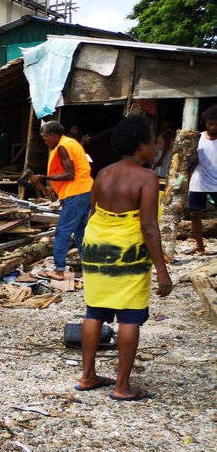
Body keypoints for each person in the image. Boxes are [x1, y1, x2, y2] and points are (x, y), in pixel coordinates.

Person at [78, 115, 173, 401]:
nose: (156, 147)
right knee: (129, 316)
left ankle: (87, 376)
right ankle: (122, 386)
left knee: (94, 311)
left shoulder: (104, 173)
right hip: (127, 251)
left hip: (96, 247)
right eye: (153, 141)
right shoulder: (147, 178)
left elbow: (93, 212)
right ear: (140, 145)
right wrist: (162, 269)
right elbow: (148, 226)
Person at [31, 121, 94, 280]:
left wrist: (45, 177)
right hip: (85, 190)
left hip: (76, 192)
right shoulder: (70, 143)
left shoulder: (62, 147)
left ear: (53, 135)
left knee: (63, 230)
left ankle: (59, 269)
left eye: (46, 138)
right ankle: (88, 266)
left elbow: (70, 174)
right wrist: (55, 185)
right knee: (80, 230)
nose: (45, 142)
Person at [188, 105, 217, 254]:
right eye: (210, 123)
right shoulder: (197, 138)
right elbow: (189, 160)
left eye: (216, 124)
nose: (212, 127)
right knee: (194, 214)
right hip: (199, 182)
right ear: (205, 122)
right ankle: (199, 246)